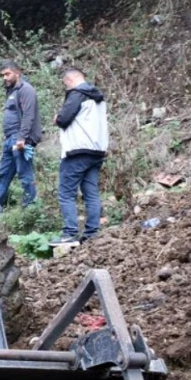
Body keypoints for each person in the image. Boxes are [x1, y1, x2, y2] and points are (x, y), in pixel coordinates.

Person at [51, 67, 109, 246]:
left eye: (65, 84)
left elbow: (63, 119)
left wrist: (56, 118)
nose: (66, 87)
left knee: (66, 194)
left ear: (69, 80)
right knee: (90, 193)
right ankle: (91, 233)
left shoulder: (76, 94)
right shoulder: (98, 97)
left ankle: (69, 233)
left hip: (77, 151)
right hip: (97, 150)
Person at [0, 59, 40, 207]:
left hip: (19, 139)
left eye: (7, 74)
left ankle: (29, 208)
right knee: (3, 174)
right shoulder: (12, 91)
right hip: (9, 139)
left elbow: (28, 115)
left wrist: (22, 138)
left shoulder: (26, 89)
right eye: (2, 75)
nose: (5, 77)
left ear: (17, 73)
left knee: (24, 175)